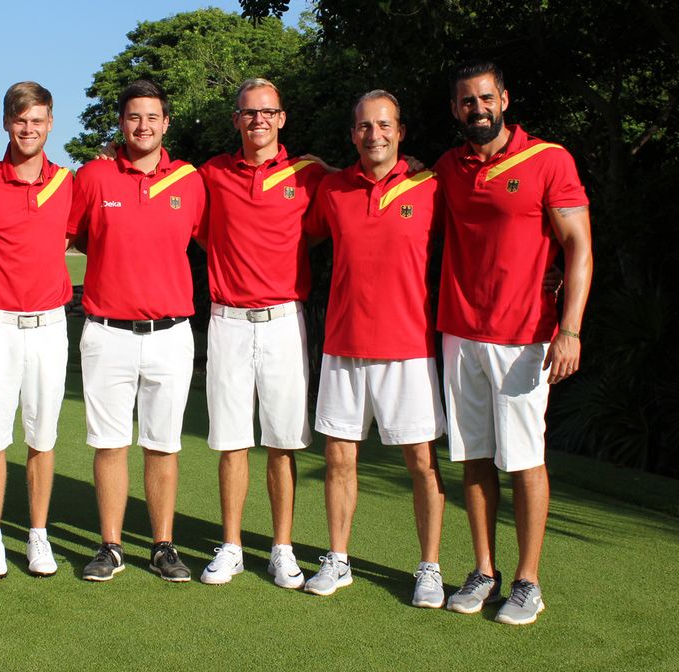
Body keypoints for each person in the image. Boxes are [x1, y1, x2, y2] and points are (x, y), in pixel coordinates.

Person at [435, 60, 592, 625]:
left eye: (485, 98)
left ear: (504, 97)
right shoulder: (448, 167)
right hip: (459, 332)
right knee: (475, 457)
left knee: (524, 459)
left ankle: (528, 581)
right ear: (454, 109)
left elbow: (578, 247)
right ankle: (483, 569)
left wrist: (569, 326)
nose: (476, 109)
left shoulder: (549, 159)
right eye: (465, 102)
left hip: (524, 337)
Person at [301, 90, 447, 605]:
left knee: (422, 463)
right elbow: (293, 236)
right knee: (339, 457)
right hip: (344, 344)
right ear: (353, 134)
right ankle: (338, 559)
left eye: (384, 125)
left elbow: (482, 233)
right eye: (365, 126)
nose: (375, 134)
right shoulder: (334, 189)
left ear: (400, 131)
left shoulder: (432, 185)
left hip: (409, 346)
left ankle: (429, 566)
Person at [67, 79, 205, 582]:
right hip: (106, 331)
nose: (142, 126)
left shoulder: (189, 180)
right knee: (109, 443)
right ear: (121, 123)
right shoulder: (95, 177)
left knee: (163, 443)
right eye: (132, 117)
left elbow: (212, 238)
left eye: (152, 117)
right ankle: (111, 546)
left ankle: (163, 545)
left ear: (166, 123)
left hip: (170, 333)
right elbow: (73, 237)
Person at [196, 78, 327, 588]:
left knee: (282, 441)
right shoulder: (212, 173)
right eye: (249, 113)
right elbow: (202, 232)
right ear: (236, 120)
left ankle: (282, 548)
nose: (259, 121)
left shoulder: (308, 173)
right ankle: (230, 546)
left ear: (282, 118)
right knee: (232, 442)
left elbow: (347, 191)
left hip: (284, 322)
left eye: (268, 112)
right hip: (228, 321)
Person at [0, 82, 72, 579]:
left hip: (50, 325)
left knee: (42, 437)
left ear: (50, 123)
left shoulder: (69, 182)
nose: (28, 129)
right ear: (6, 123)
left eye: (38, 120)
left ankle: (37, 536)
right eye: (19, 120)